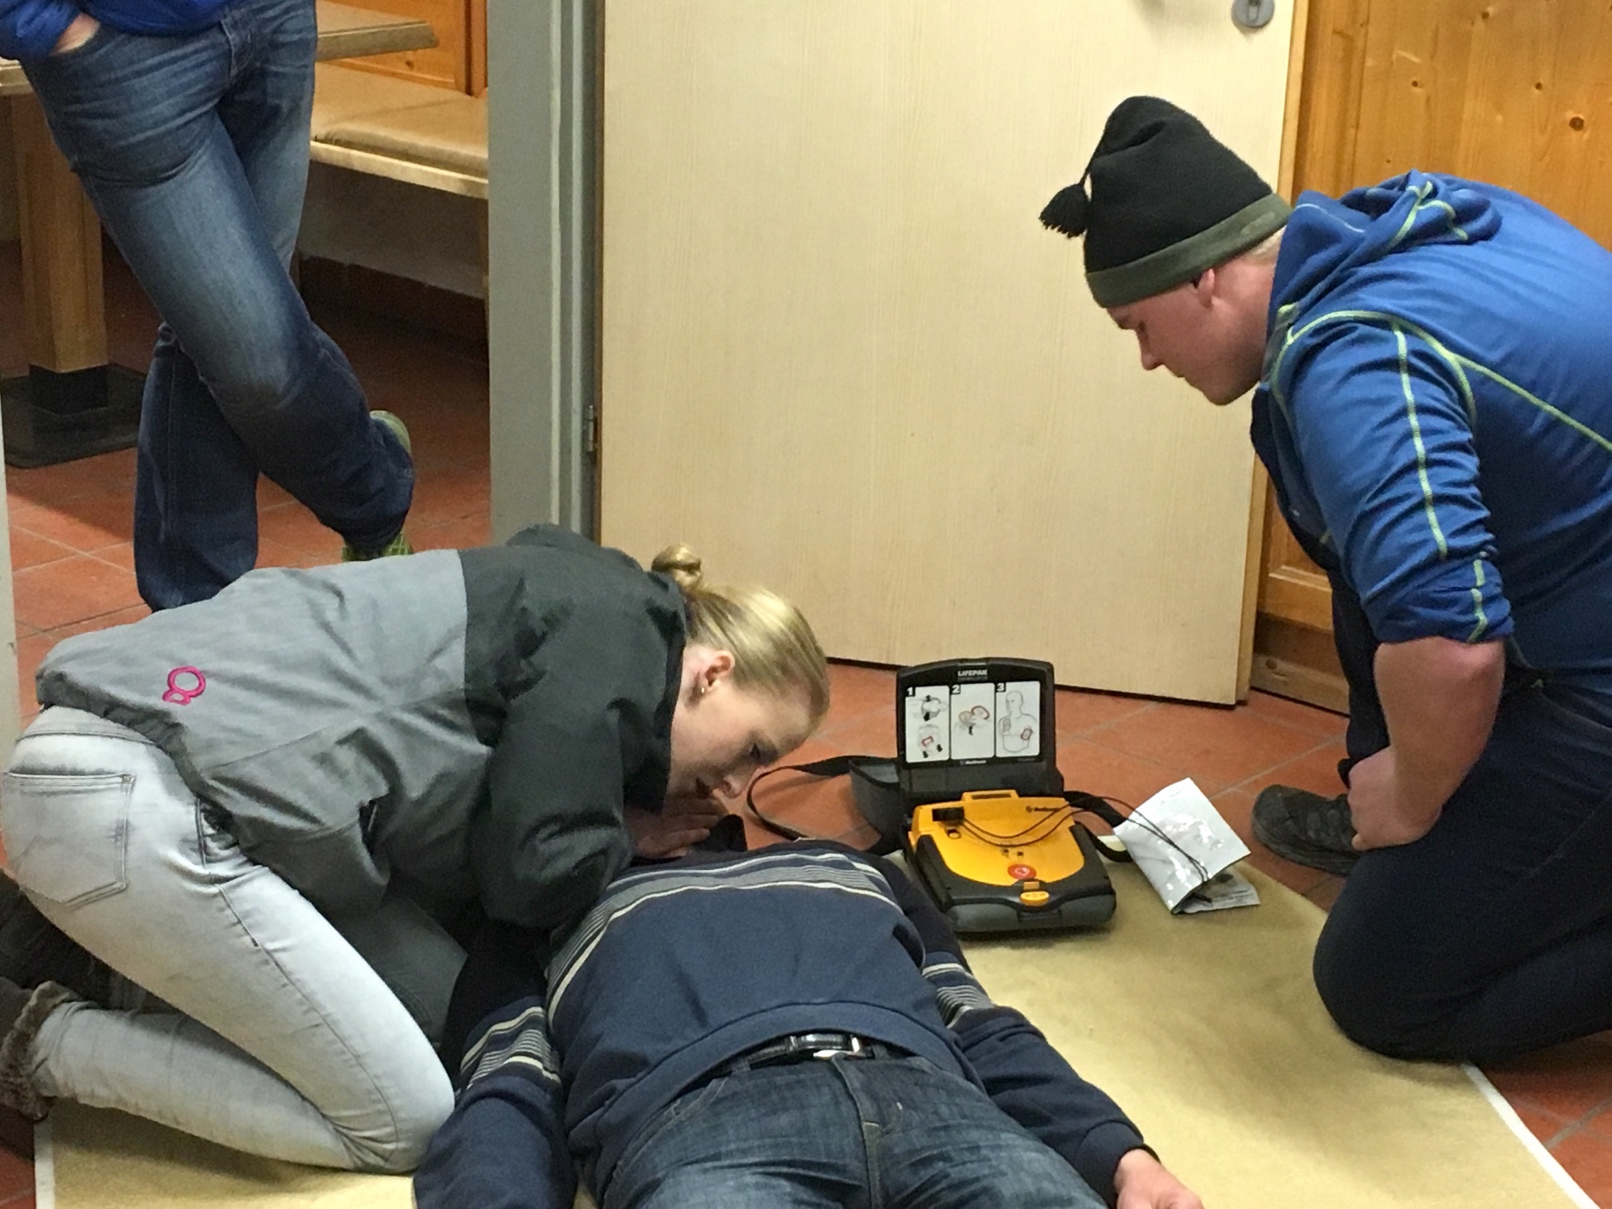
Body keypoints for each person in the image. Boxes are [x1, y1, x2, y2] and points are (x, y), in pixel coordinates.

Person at [1038, 96, 1612, 1064]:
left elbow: (1451, 648)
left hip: (1588, 668)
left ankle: (1428, 821)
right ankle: (1392, 815)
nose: (1146, 359)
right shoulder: (1400, 227)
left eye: (1140, 324)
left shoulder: (1353, 364)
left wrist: (1418, 792)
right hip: (1575, 587)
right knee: (1363, 551)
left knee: (1380, 988)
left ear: (1206, 278)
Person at [0, 524, 829, 1171]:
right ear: (712, 672)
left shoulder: (580, 593)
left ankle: (71, 950)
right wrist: (629, 834)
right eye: (754, 749)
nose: (735, 788)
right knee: (406, 1119)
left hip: (154, 798)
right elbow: (533, 869)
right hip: (130, 800)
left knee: (451, 1025)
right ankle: (36, 1042)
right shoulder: (617, 634)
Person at [415, 838, 1206, 1209]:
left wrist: (1123, 1157)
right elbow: (509, 1084)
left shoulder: (860, 866)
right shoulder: (541, 909)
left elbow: (981, 1024)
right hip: (704, 1118)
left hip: (933, 1096)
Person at [0, 0, 416, 610]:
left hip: (275, 19)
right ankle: (376, 490)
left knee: (212, 336)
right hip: (122, 53)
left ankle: (193, 619)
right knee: (258, 361)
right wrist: (39, 23)